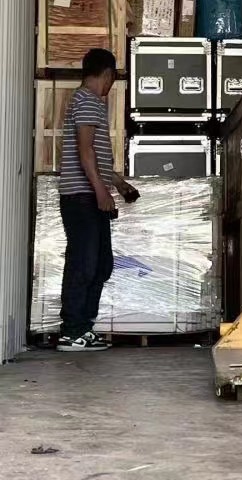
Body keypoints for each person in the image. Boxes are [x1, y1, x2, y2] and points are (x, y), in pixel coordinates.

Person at [57, 48, 138, 352]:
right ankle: (71, 331)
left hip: (89, 194)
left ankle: (83, 328)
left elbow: (95, 156)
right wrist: (101, 191)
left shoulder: (87, 101)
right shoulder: (88, 100)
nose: (111, 86)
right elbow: (85, 150)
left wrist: (118, 183)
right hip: (82, 197)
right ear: (108, 74)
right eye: (112, 79)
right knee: (84, 264)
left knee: (101, 264)